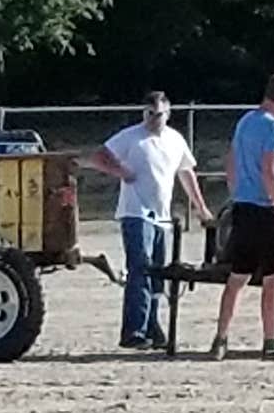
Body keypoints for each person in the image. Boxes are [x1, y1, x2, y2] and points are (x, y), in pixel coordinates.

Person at [90, 91, 211, 349]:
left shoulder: (175, 140)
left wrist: (200, 207)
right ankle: (134, 330)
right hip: (136, 212)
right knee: (140, 268)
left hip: (162, 218)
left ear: (168, 114)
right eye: (150, 113)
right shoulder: (132, 137)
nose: (155, 119)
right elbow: (99, 157)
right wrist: (120, 171)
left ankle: (152, 325)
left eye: (159, 114)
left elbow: (186, 173)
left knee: (158, 272)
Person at [211, 72, 274, 361]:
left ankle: (220, 339)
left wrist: (236, 191)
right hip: (266, 210)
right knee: (273, 279)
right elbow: (272, 173)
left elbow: (231, 161)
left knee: (237, 277)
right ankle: (271, 341)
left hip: (243, 207)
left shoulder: (245, 121)